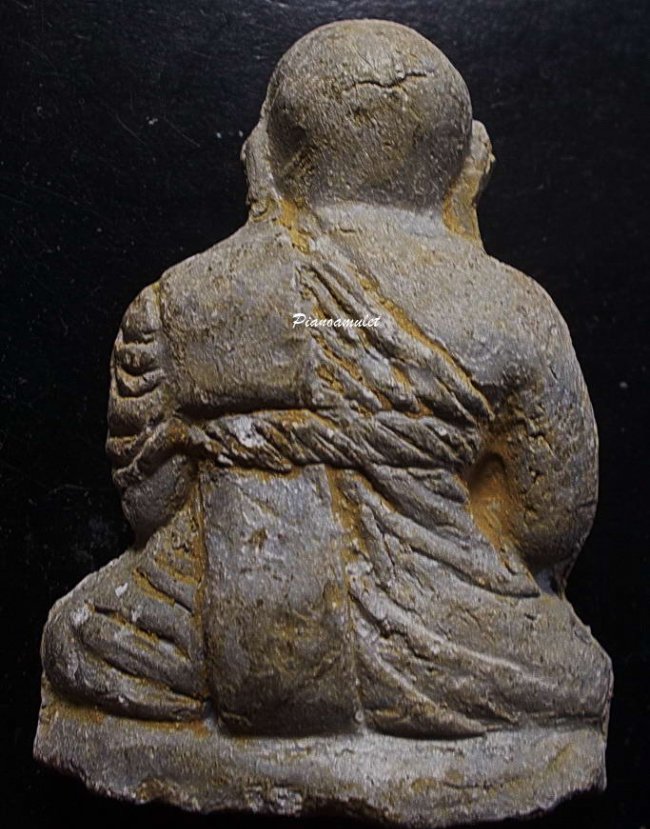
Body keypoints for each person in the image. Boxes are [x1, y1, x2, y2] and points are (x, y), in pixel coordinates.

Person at [41, 19, 612, 737]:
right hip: (444, 641)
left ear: (265, 151)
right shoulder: (515, 309)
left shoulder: (180, 300)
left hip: (211, 638)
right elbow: (548, 526)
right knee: (575, 671)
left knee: (80, 635)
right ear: (466, 159)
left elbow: (151, 505)